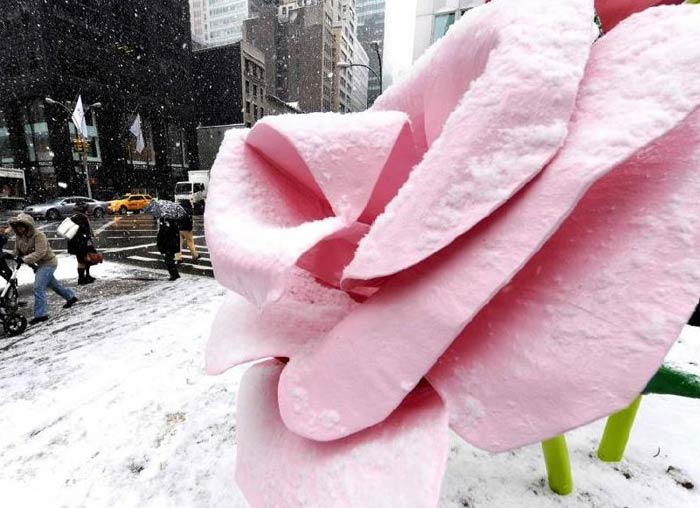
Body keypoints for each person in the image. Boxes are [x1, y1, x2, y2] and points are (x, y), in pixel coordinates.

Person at [10, 213, 77, 325]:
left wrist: (25, 259)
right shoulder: (19, 237)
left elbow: (40, 252)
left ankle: (41, 315)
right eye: (17, 227)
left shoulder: (39, 235)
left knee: (38, 287)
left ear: (27, 226)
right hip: (37, 265)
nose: (19, 229)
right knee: (54, 285)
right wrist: (11, 255)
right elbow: (17, 251)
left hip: (48, 263)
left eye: (21, 226)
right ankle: (71, 297)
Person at [67, 203, 96, 285]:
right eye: (86, 210)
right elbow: (85, 231)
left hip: (75, 243)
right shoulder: (81, 218)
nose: (87, 211)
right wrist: (88, 240)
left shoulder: (73, 217)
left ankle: (85, 277)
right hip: (82, 243)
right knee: (83, 261)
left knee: (83, 260)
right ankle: (82, 278)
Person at [175, 200, 199, 265]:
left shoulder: (179, 210)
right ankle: (195, 256)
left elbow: (176, 219)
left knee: (178, 244)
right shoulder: (189, 210)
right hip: (186, 229)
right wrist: (190, 228)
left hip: (179, 229)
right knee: (190, 242)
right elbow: (189, 221)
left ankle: (178, 258)